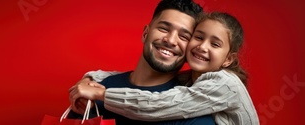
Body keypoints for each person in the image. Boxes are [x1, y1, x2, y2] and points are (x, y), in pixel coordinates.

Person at [69, 12, 259, 125]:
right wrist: (91, 78)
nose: (202, 47)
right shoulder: (192, 81)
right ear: (145, 33)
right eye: (199, 37)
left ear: (228, 59)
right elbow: (122, 76)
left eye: (215, 44)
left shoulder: (225, 84)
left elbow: (158, 105)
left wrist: (103, 94)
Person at [66, 0, 216, 124]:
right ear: (145, 34)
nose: (170, 40)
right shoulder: (93, 91)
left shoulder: (193, 109)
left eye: (184, 37)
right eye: (164, 28)